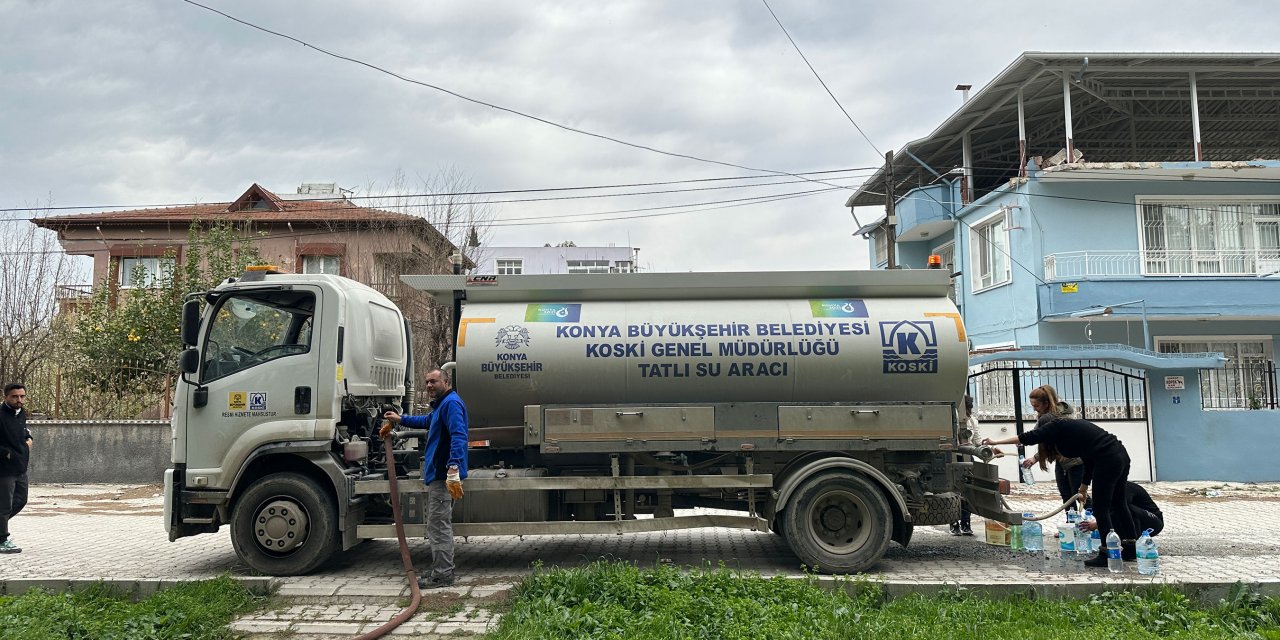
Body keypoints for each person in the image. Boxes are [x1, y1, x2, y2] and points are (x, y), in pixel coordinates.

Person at [983, 386, 1139, 567]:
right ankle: (1130, 549)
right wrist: (1084, 485)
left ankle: (1106, 554)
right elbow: (1088, 457)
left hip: (1109, 458)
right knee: (1119, 503)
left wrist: (995, 441)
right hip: (1118, 455)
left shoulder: (1057, 426)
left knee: (1102, 507)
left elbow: (1027, 437)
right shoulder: (1069, 431)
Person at [382, 369, 469, 588]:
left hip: (443, 475)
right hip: (439, 475)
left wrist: (453, 466)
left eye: (434, 381)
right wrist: (401, 419)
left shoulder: (451, 404)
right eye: (427, 382)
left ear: (446, 382)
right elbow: (427, 420)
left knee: (438, 526)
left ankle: (443, 574)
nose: (429, 385)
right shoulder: (442, 405)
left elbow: (459, 435)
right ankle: (441, 569)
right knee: (437, 524)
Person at [1019, 385, 1092, 510]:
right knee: (1066, 496)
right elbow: (1038, 437)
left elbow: (1038, 436)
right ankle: (1071, 525)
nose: (1034, 409)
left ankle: (1100, 523)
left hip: (1076, 462)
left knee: (1079, 495)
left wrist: (1024, 441)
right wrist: (1033, 455)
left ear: (1046, 403)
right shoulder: (1045, 416)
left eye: (1036, 406)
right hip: (1061, 462)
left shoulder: (1057, 418)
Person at [0, 383, 32, 554]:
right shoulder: (1, 415)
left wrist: (28, 439)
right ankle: (2, 539)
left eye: (22, 396)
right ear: (5, 396)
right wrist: (6, 454)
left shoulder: (20, 414)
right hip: (4, 469)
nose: (19, 400)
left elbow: (23, 431)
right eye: (15, 396)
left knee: (20, 500)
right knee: (4, 505)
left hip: (20, 467)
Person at [1080, 481, 1163, 537]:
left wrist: (1098, 523)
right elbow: (1099, 510)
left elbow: (1120, 509)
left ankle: (1132, 543)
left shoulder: (1125, 487)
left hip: (1154, 522)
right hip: (1134, 521)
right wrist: (1085, 500)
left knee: (1124, 508)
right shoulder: (1106, 490)